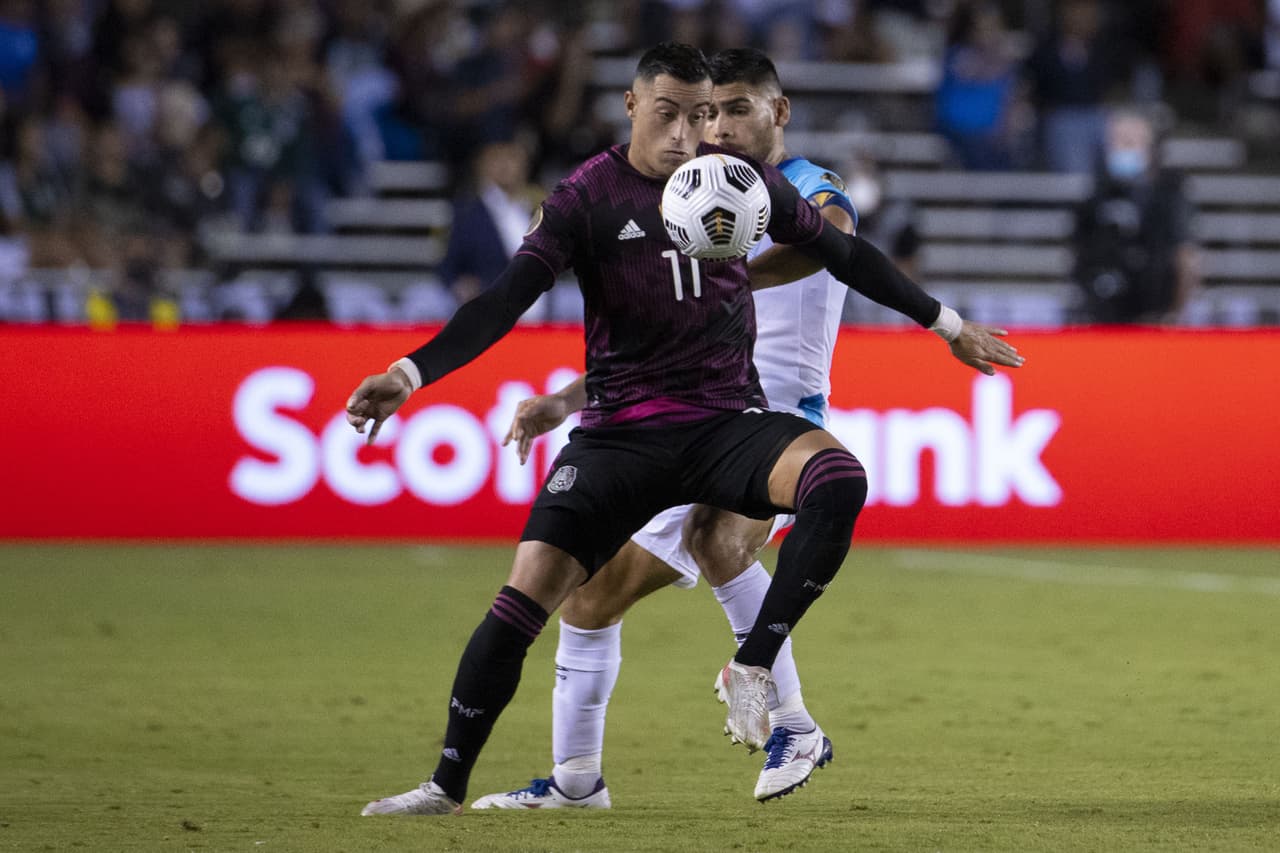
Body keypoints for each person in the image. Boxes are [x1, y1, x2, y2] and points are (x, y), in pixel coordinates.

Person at [347, 42, 1023, 817]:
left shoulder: (752, 187)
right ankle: (491, 784)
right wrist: (413, 374)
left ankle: (776, 700)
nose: (695, 133)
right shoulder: (587, 197)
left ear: (769, 112)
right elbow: (511, 302)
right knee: (565, 598)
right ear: (632, 107)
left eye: (710, 114)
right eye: (676, 113)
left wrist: (948, 324)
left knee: (776, 509)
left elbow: (839, 247)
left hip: (738, 418)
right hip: (622, 434)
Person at [468, 46, 859, 809]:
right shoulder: (695, 196)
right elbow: (665, 341)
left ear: (778, 114)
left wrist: (734, 262)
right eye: (714, 112)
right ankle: (577, 783)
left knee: (717, 538)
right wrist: (567, 400)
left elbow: (835, 239)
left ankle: (795, 721)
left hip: (771, 422)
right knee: (586, 599)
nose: (722, 127)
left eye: (741, 109)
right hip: (688, 414)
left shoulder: (805, 188)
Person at [1073, 108, 1201, 324]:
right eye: (1116, 141)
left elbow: (1187, 259)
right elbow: (1078, 254)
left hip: (1151, 316)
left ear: (1151, 149)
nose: (1121, 148)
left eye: (1130, 141)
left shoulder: (1169, 195)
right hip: (1102, 317)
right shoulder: (1096, 196)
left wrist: (1175, 314)